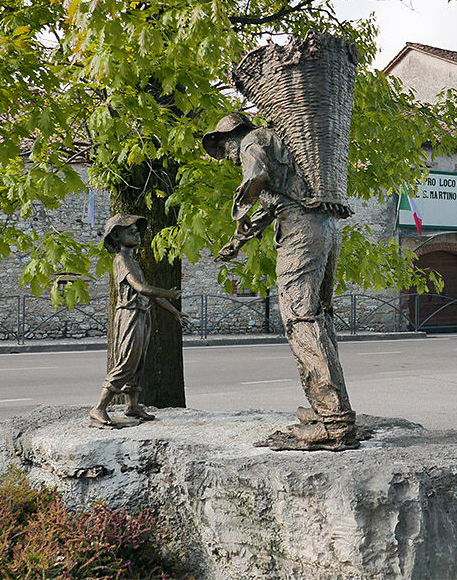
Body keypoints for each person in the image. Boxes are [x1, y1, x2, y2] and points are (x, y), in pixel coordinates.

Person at [203, 112, 358, 451]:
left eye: (222, 148)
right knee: (318, 316)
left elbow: (255, 177)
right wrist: (240, 239)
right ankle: (324, 409)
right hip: (324, 228)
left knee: (300, 319)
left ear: (230, 136)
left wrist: (239, 207)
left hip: (301, 233)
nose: (228, 157)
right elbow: (275, 202)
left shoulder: (250, 142)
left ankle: (334, 421)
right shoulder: (281, 142)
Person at [90, 213, 183, 428]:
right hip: (129, 314)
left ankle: (131, 405)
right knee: (126, 362)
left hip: (141, 313)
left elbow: (149, 294)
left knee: (138, 362)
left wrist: (174, 312)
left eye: (137, 231)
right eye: (130, 231)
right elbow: (143, 289)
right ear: (116, 236)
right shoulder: (121, 260)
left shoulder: (132, 260)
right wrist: (171, 294)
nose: (137, 234)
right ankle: (99, 407)